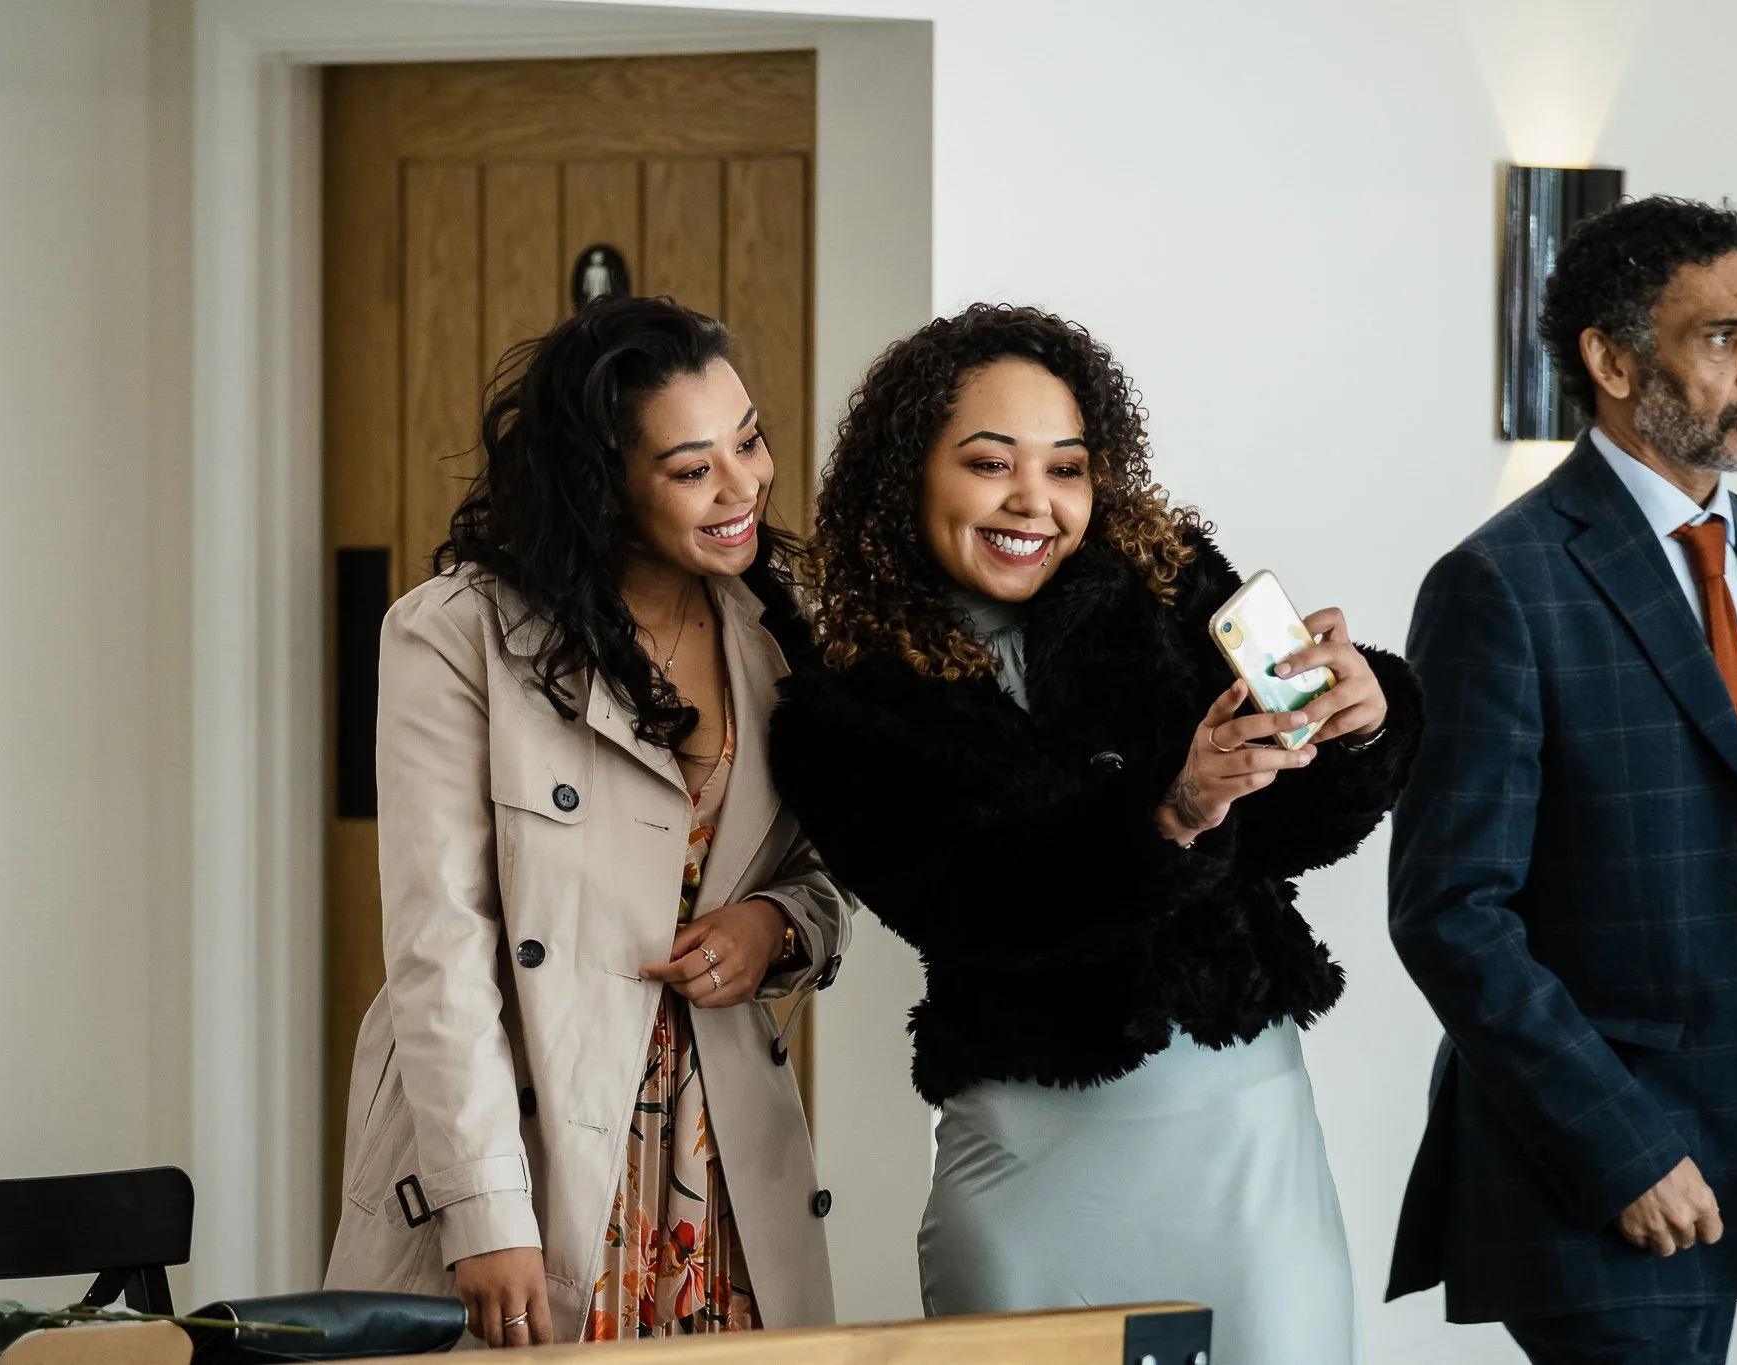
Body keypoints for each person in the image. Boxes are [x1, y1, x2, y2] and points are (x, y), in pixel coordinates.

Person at [767, 304, 1422, 1364]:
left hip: (1246, 1137)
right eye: (990, 463)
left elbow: (1296, 827)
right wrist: (1169, 812)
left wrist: (1363, 719)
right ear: (908, 476)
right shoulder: (839, 714)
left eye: (1065, 468)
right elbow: (974, 903)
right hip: (1031, 1162)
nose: (1034, 500)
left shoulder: (1173, 589)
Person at [324, 297, 851, 1347]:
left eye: (748, 441)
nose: (743, 484)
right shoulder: (455, 634)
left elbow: (834, 863)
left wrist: (776, 926)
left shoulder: (780, 626)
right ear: (602, 483)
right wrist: (484, 1205)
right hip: (528, 1133)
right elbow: (439, 942)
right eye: (693, 468)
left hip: (714, 1148)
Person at [1387, 197, 1737, 1364]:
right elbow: (1451, 912)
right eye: (1722, 337)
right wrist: (1620, 1149)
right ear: (1610, 362)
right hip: (1597, 1174)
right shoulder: (1497, 584)